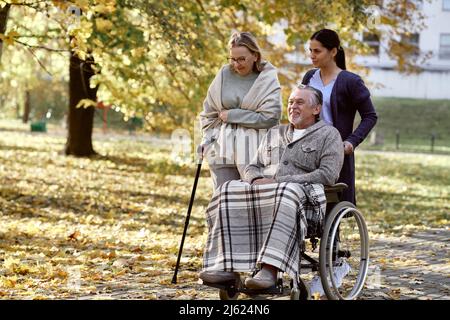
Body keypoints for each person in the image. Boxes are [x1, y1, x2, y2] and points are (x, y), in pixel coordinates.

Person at [199, 84, 344, 290]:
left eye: (300, 102)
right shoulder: (276, 132)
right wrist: (255, 179)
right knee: (226, 190)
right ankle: (225, 266)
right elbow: (252, 166)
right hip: (264, 192)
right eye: (291, 102)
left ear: (316, 109)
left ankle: (270, 270)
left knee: (285, 193)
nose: (293, 106)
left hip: (302, 196)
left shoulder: (329, 135)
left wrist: (282, 182)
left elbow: (328, 174)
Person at [302, 29, 377, 204]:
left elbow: (370, 116)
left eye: (317, 51)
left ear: (333, 51)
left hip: (333, 151)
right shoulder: (309, 77)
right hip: (306, 149)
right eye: (310, 50)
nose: (312, 55)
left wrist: (352, 141)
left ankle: (331, 232)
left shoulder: (350, 81)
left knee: (329, 205)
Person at [199, 32, 282, 190]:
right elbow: (209, 111)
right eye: (233, 59)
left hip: (254, 150)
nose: (236, 64)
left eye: (241, 59)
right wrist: (207, 139)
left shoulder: (267, 78)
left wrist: (231, 115)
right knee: (223, 199)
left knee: (253, 196)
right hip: (221, 148)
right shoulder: (224, 74)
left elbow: (270, 117)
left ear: (255, 56)